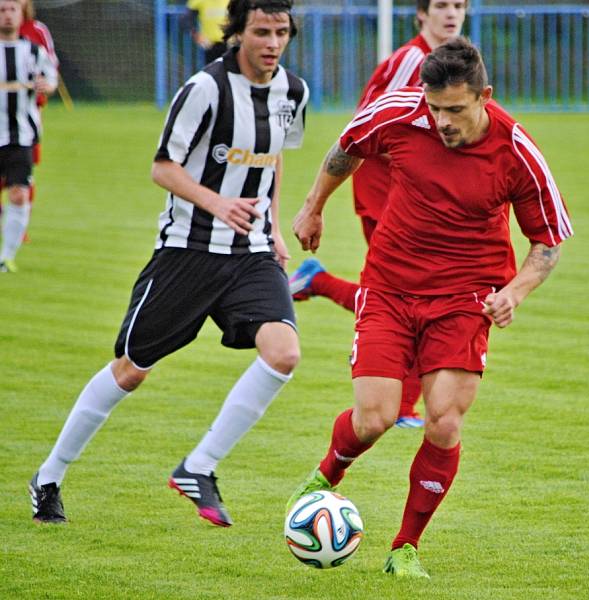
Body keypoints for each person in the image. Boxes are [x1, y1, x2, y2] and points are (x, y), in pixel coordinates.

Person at [288, 37, 572, 578]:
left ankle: (405, 548)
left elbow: (548, 244)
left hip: (465, 297)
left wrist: (514, 292)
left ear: (485, 96)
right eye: (435, 107)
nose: (442, 121)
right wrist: (313, 207)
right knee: (375, 418)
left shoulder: (517, 152)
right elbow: (346, 147)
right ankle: (326, 476)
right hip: (389, 286)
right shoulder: (400, 114)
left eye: (456, 110)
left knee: (442, 420)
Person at [28, 0, 309, 527]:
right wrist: (217, 202)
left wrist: (270, 226)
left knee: (284, 352)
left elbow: (274, 162)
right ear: (237, 33)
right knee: (131, 371)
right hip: (187, 252)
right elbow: (163, 169)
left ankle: (199, 466)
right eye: (262, 32)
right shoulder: (205, 89)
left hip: (249, 254)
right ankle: (49, 475)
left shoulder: (293, 91)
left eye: (281, 32)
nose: (272, 43)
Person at [288, 0, 468, 428]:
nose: (451, 14)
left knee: (414, 292)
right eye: (441, 5)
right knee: (401, 293)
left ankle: (318, 280)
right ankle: (403, 406)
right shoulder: (413, 60)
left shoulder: (449, 62)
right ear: (421, 15)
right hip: (385, 184)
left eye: (458, 5)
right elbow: (377, 126)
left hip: (414, 190)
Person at [0, 0, 56, 273]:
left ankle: (6, 256)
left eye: (12, 10)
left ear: (22, 13)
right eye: (2, 10)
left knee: (19, 194)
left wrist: (48, 85)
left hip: (20, 136)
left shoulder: (33, 51)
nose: (8, 15)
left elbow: (51, 78)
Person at [184, 0, 228, 65]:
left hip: (231, 45)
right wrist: (196, 35)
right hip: (210, 45)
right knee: (213, 72)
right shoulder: (198, 1)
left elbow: (242, 16)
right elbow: (185, 20)